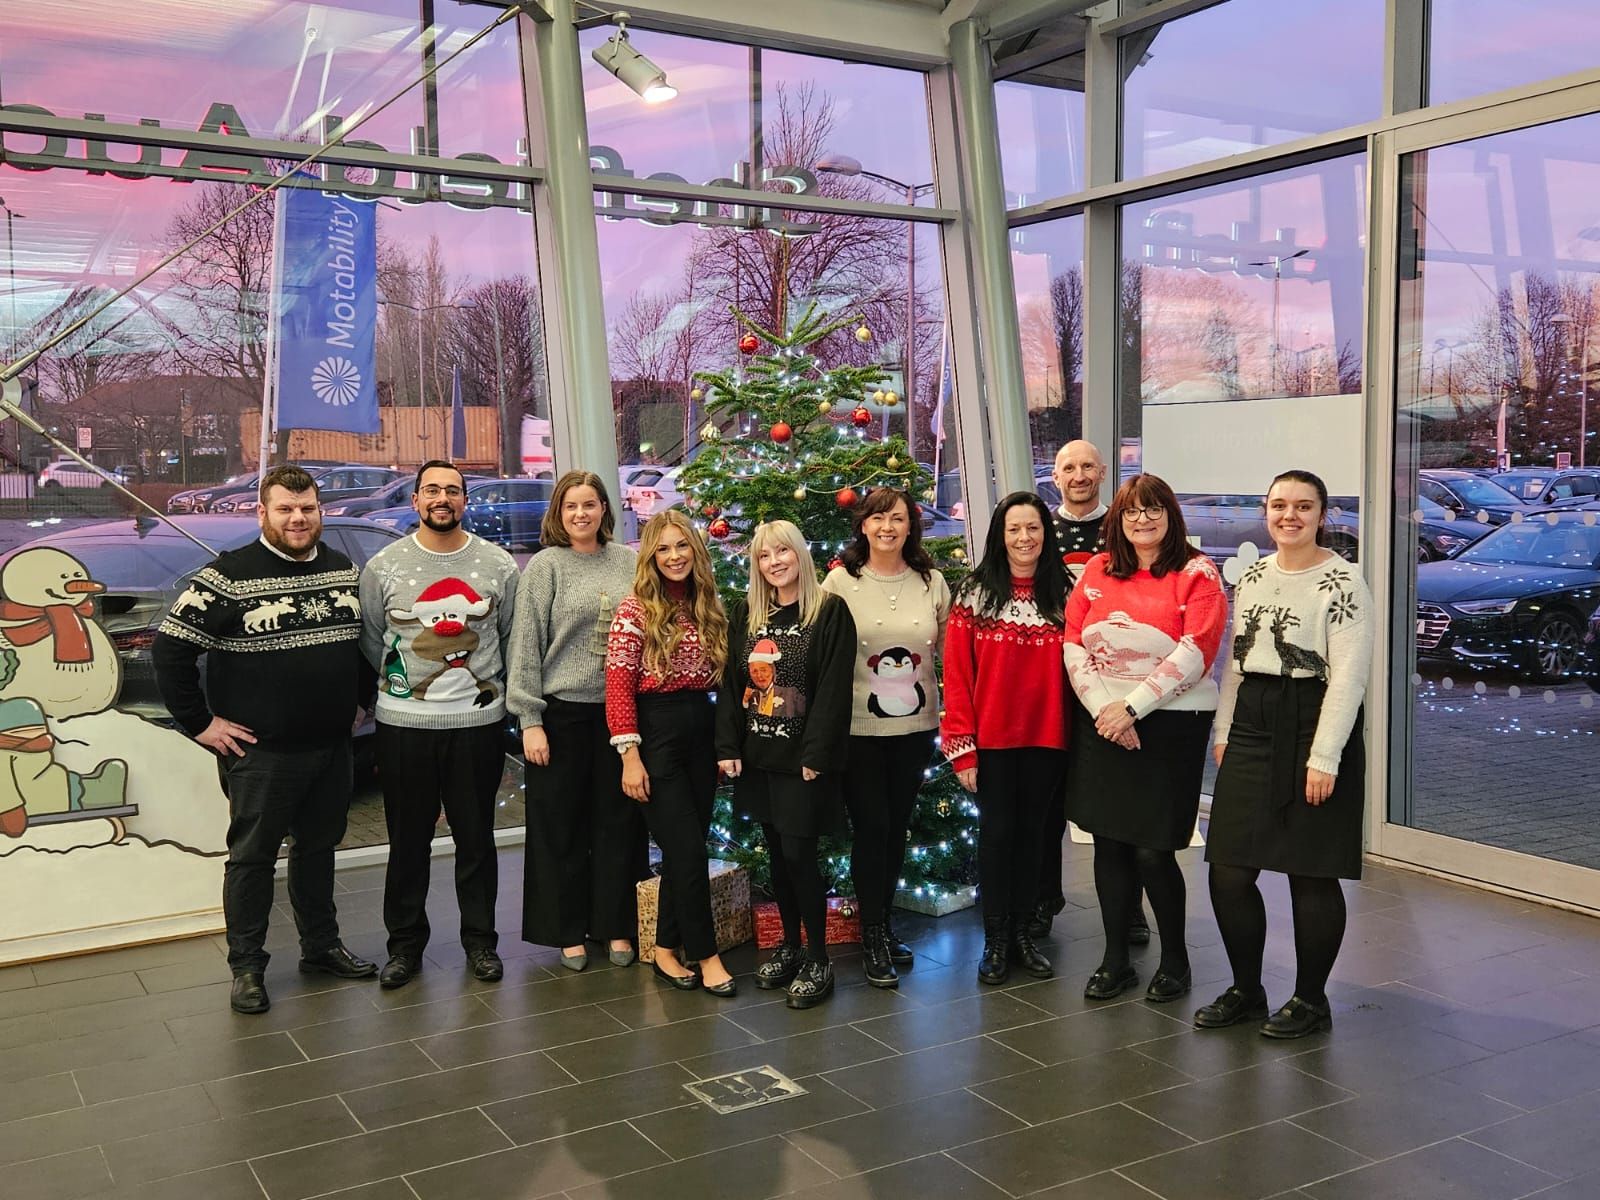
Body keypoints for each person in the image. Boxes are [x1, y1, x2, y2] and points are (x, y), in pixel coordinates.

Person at [153, 464, 377, 1014]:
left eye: (307, 508)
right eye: (285, 509)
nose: (298, 518)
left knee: (318, 851)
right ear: (262, 513)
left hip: (331, 748)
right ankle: (247, 968)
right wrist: (200, 724)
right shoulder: (228, 576)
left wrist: (361, 700)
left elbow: (361, 645)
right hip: (263, 754)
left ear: (320, 511)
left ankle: (321, 947)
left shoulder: (342, 569)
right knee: (252, 860)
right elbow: (170, 650)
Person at [1198, 469, 1372, 1038]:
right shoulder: (1252, 575)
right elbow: (1237, 661)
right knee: (1228, 870)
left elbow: (1348, 677)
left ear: (1322, 514)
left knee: (1310, 872)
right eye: (1278, 505)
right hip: (1252, 722)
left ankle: (1311, 1000)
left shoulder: (1343, 582)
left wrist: (1325, 757)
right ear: (1266, 512)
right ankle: (1247, 990)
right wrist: (1224, 729)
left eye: (1302, 506)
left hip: (1313, 721)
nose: (1289, 516)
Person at [1063, 474, 1228, 1004]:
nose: (1142, 519)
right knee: (1108, 844)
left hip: (1169, 725)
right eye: (1132, 511)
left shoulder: (1197, 573)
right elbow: (1072, 642)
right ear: (1118, 519)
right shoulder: (1098, 569)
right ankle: (1115, 960)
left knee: (1154, 852)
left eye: (1153, 509)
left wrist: (1131, 707)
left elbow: (1197, 650)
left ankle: (1175, 960)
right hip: (1103, 721)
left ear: (1170, 515)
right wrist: (1106, 711)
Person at [358, 460, 519, 990]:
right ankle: (404, 947)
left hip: (477, 726)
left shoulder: (498, 565)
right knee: (408, 843)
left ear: (465, 500)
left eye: (452, 490)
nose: (441, 498)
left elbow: (511, 636)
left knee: (476, 839)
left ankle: (481, 943)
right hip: (405, 727)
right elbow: (374, 639)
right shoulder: (384, 567)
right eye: (431, 490)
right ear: (415, 501)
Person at [716, 520, 855, 1009]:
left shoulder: (829, 611)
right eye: (763, 555)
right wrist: (727, 747)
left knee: (799, 855)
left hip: (802, 764)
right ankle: (790, 946)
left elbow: (834, 691)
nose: (774, 562)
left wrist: (816, 754)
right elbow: (732, 687)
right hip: (759, 760)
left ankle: (818, 958)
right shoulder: (746, 614)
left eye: (782, 552)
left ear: (800, 554)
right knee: (776, 855)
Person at [509, 470, 641, 970]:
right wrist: (529, 719)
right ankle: (567, 929)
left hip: (620, 714)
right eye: (571, 506)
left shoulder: (629, 562)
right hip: (561, 715)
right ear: (558, 514)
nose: (581, 514)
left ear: (604, 508)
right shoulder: (546, 567)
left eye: (589, 504)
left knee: (618, 824)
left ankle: (616, 925)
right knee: (560, 827)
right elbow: (526, 644)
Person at [822, 488, 951, 987]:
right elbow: (823, 653)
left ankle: (883, 922)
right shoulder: (841, 582)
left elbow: (951, 654)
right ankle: (872, 931)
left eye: (897, 518)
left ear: (910, 525)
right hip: (859, 729)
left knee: (896, 828)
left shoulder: (932, 581)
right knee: (872, 827)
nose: (887, 528)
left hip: (916, 730)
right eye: (877, 518)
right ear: (863, 525)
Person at [941, 492, 1070, 986]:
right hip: (991, 741)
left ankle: (1023, 935)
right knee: (996, 838)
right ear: (1000, 535)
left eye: (1033, 528)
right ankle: (995, 940)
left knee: (1034, 838)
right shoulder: (974, 593)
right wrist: (962, 746)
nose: (1024, 538)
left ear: (1046, 534)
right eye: (1014, 529)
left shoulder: (1067, 591)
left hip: (1048, 739)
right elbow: (957, 674)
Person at [606, 511, 737, 997]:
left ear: (695, 551)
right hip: (656, 733)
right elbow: (618, 688)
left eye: (682, 546)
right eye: (663, 548)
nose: (674, 556)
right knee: (688, 852)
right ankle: (706, 955)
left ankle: (664, 949)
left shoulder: (708, 604)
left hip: (702, 730)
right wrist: (629, 756)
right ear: (650, 556)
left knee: (687, 851)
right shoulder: (634, 610)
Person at [1033, 439, 1151, 947]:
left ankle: (1130, 909)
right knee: (1045, 803)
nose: (1078, 475)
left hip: (1114, 686)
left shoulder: (1125, 528)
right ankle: (1042, 901)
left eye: (1087, 466)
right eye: (1068, 467)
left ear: (1103, 472)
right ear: (1055, 476)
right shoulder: (1039, 531)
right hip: (1051, 683)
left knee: (1120, 804)